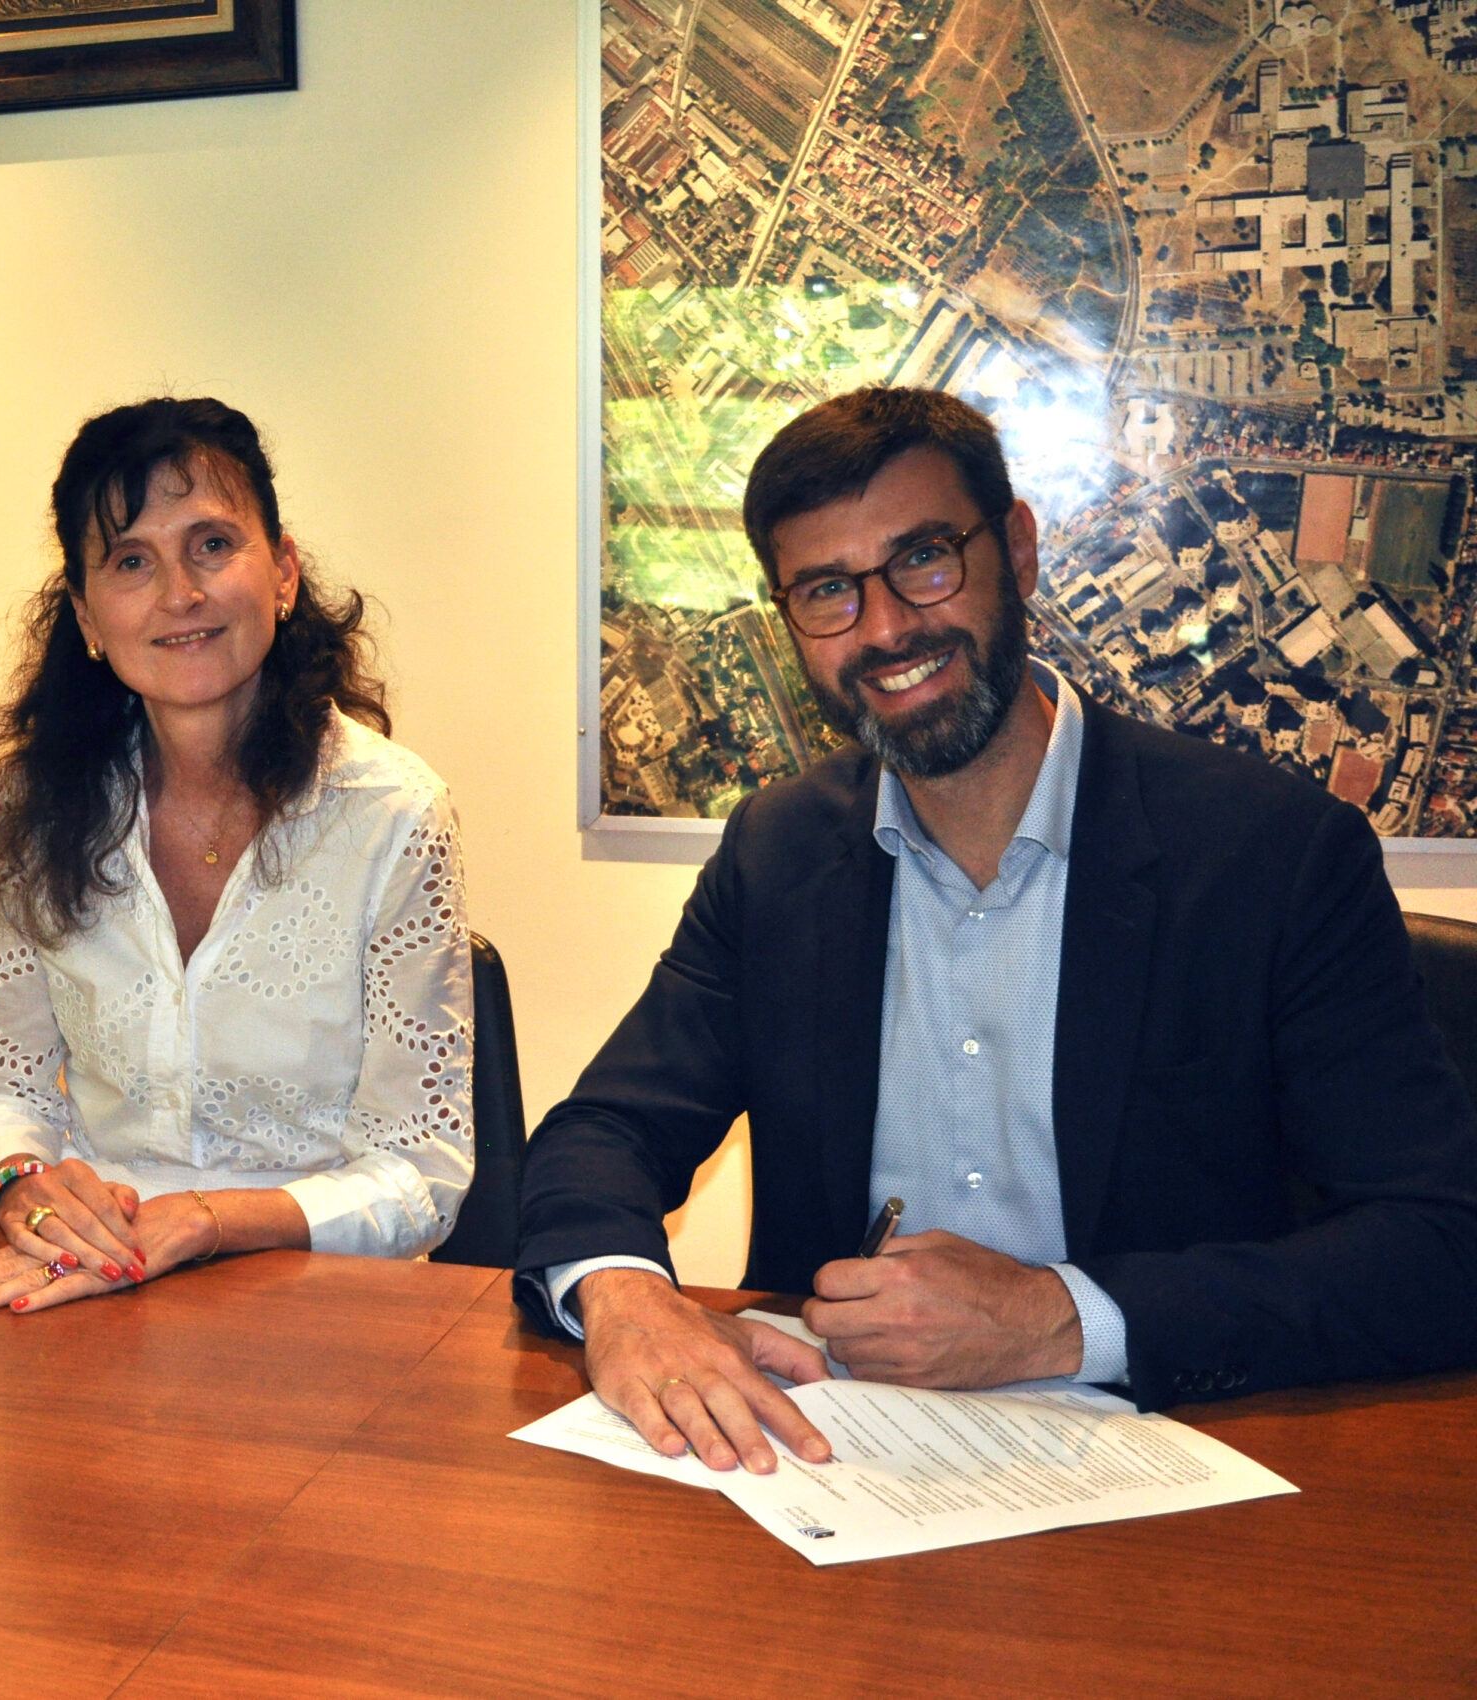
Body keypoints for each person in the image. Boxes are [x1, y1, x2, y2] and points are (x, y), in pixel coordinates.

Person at [518, 386, 1477, 1474]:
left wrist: (1061, 1316)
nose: (884, 629)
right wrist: (626, 1293)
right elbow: (601, 1132)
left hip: (1173, 1469)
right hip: (840, 1463)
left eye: (924, 560)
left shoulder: (1271, 856)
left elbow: (1438, 1245)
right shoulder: (777, 852)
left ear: (1016, 550)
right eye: (828, 591)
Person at [0, 397, 473, 1316]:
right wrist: (21, 1184)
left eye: (213, 545)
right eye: (131, 562)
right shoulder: (37, 805)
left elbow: (423, 1174)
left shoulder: (390, 813)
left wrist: (213, 1219)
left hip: (321, 1304)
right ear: (88, 616)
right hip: (92, 1281)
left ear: (284, 573)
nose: (179, 594)